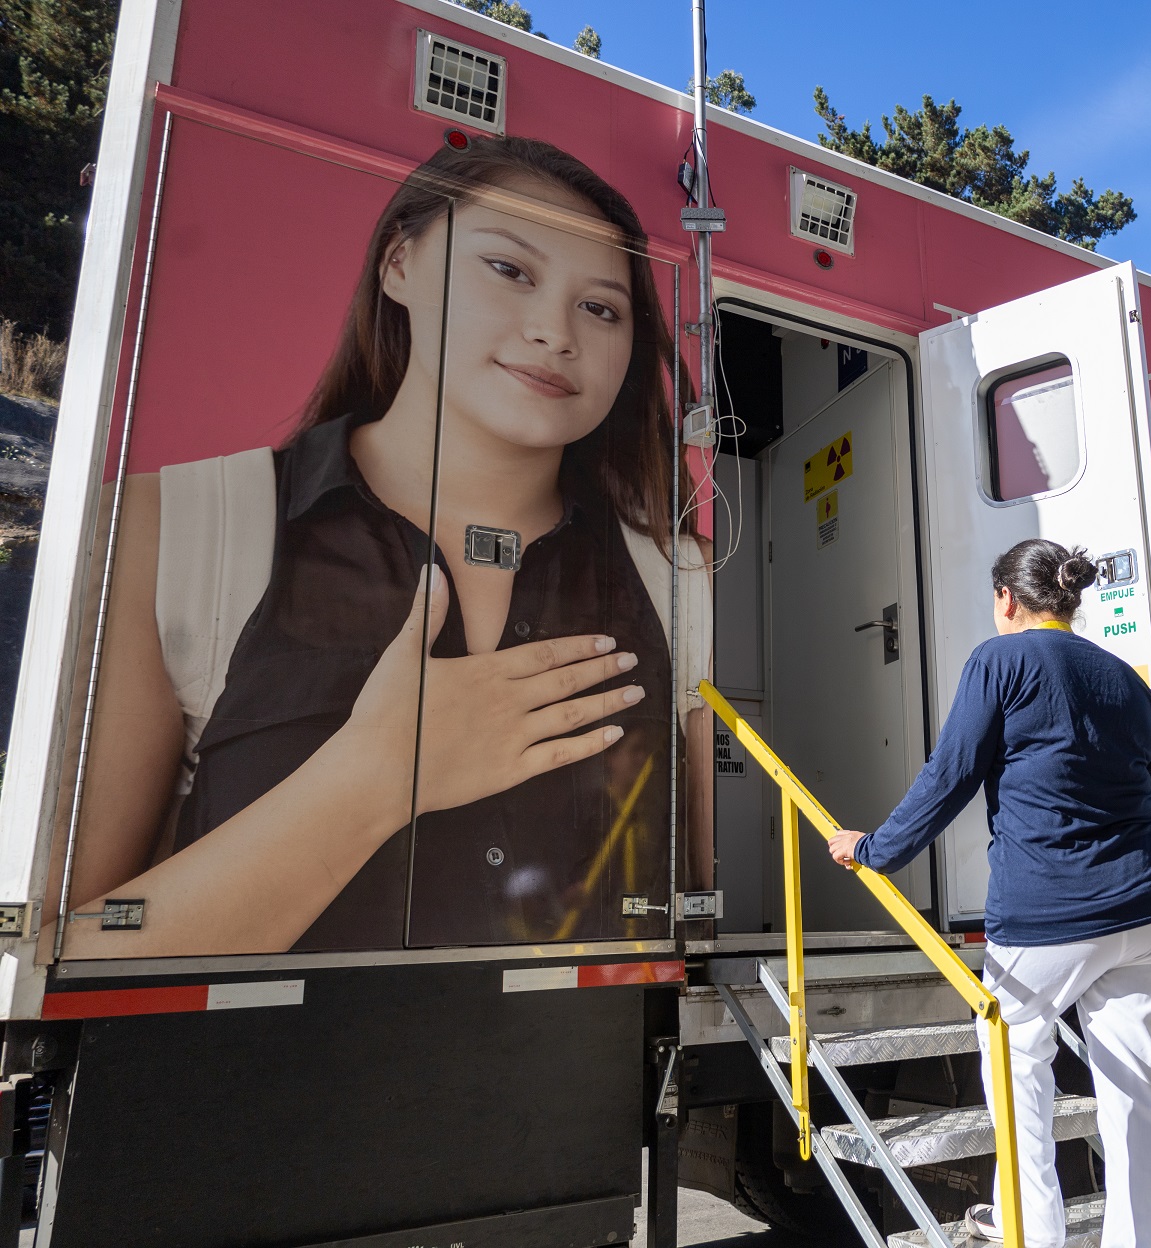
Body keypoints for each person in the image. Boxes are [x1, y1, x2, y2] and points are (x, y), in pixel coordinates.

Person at [59, 136, 711, 957]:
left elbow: (699, 925)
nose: (555, 332)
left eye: (602, 309)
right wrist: (371, 781)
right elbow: (67, 947)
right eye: (509, 269)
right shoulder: (177, 525)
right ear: (399, 263)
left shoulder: (678, 577)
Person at [825, 539, 1151, 1248]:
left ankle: (1033, 1232)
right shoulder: (1127, 680)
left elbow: (951, 773)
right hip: (1150, 911)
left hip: (1046, 916)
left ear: (1006, 598)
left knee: (1019, 1071)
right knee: (1143, 1098)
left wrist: (874, 850)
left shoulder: (1001, 660)